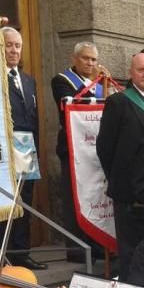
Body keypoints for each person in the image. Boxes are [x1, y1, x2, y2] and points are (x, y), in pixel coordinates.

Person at [96, 52, 144, 279]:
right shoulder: (118, 102)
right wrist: (118, 179)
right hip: (128, 191)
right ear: (131, 73)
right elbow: (105, 147)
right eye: (141, 70)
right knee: (131, 250)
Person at [0, 27, 44, 270]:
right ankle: (2, 254)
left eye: (17, 46)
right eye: (8, 45)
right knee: (3, 201)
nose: (13, 50)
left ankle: (22, 253)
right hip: (1, 146)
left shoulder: (28, 80)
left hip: (26, 147)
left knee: (25, 201)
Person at [51, 41, 102, 263]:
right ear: (74, 59)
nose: (90, 63)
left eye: (93, 59)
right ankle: (76, 248)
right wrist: (99, 83)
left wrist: (103, 83)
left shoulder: (100, 83)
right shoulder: (61, 81)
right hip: (73, 148)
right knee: (74, 199)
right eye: (85, 58)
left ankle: (96, 243)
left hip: (95, 149)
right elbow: (72, 104)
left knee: (94, 197)